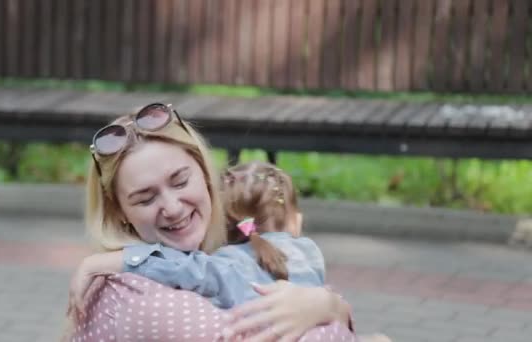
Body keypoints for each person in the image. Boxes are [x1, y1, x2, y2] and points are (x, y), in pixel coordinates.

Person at [63, 103, 359, 341]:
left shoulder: (227, 251)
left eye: (180, 181)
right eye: (145, 199)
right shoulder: (136, 296)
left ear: (205, 174)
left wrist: (327, 305)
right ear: (119, 213)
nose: (173, 208)